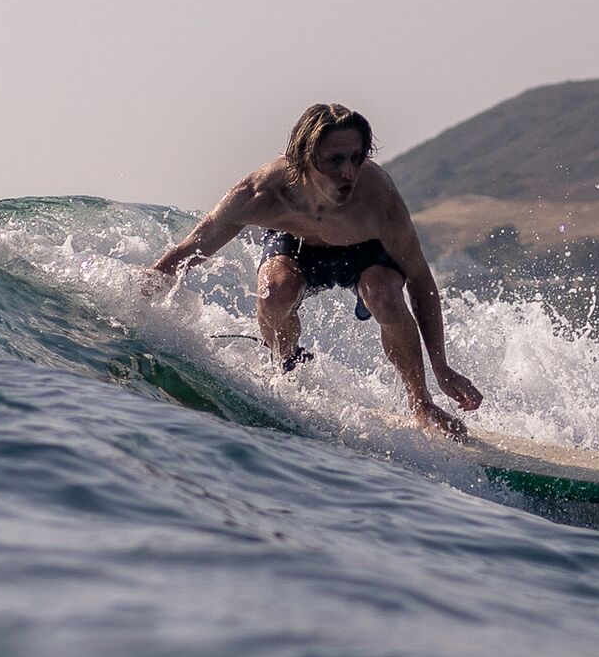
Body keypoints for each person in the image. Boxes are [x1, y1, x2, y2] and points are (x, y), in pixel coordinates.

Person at [144, 102, 486, 435]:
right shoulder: (259, 194)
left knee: (384, 295)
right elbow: (191, 248)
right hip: (296, 243)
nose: (348, 173)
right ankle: (286, 366)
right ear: (303, 158)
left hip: (364, 251)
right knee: (275, 291)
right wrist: (138, 294)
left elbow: (421, 280)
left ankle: (420, 402)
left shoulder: (379, 201)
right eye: (334, 160)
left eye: (357, 158)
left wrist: (441, 368)